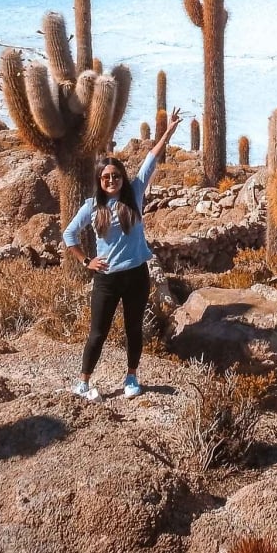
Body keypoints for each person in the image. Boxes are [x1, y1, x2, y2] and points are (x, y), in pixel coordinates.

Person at [64, 106, 183, 401]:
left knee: (133, 329)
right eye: (106, 177)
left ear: (122, 177)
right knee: (97, 333)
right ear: (99, 180)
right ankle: (83, 381)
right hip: (107, 278)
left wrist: (168, 131)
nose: (112, 180)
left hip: (136, 276)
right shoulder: (91, 207)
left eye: (116, 176)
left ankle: (131, 377)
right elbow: (68, 234)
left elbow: (150, 161)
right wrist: (86, 261)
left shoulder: (135, 194)